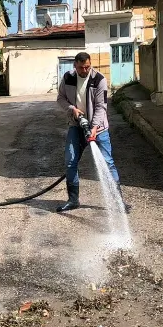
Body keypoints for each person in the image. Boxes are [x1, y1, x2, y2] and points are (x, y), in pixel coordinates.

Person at [55, 52, 122, 212]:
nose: (84, 70)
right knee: (70, 162)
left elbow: (101, 107)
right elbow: (60, 98)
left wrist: (94, 127)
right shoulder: (68, 78)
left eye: (87, 67)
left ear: (90, 64)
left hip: (98, 129)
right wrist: (72, 109)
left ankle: (118, 202)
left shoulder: (99, 79)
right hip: (76, 126)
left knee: (108, 162)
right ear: (75, 66)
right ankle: (73, 200)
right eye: (81, 67)